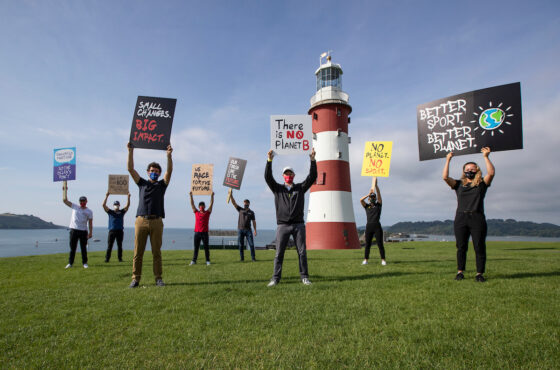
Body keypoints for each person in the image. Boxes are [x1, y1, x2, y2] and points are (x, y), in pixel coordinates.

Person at [265, 148, 317, 286]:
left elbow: (312, 177)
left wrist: (312, 160)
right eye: (286, 174)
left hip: (299, 225)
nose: (288, 175)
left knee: (302, 252)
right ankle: (275, 278)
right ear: (283, 176)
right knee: (279, 254)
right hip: (282, 225)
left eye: (290, 173)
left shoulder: (300, 188)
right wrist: (269, 161)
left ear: (294, 175)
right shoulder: (277, 189)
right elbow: (267, 178)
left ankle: (304, 277)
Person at [443, 147, 495, 282]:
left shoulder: (482, 184)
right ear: (463, 171)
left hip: (477, 217)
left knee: (479, 246)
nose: (469, 171)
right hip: (461, 217)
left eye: (472, 169)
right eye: (467, 169)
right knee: (461, 246)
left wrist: (486, 157)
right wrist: (448, 159)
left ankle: (479, 273)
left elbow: (491, 173)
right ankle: (460, 272)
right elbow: (445, 177)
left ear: (477, 170)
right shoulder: (459, 184)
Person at [127, 142, 173, 288]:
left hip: (157, 222)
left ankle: (158, 278)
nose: (154, 172)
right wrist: (130, 151)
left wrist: (169, 156)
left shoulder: (162, 185)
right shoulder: (141, 183)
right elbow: (130, 169)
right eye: (152, 170)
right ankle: (135, 279)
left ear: (159, 173)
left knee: (156, 253)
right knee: (137, 252)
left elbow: (169, 172)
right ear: (147, 172)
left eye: (157, 171)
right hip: (141, 221)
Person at [62, 181, 93, 269]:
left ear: (86, 201)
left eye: (84, 201)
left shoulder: (89, 211)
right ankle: (70, 263)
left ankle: (85, 263)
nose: (82, 202)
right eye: (81, 201)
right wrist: (65, 191)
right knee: (72, 248)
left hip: (83, 231)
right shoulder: (75, 206)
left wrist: (90, 233)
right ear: (79, 202)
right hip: (73, 230)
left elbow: (90, 223)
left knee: (83, 248)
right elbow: (65, 200)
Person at [359, 178, 386, 266]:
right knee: (367, 244)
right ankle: (366, 260)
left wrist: (376, 186)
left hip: (377, 226)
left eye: (373, 197)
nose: (372, 199)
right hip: (369, 226)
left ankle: (383, 260)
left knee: (380, 244)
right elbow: (361, 200)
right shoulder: (367, 206)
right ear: (369, 199)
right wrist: (368, 194)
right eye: (371, 198)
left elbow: (379, 195)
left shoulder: (378, 205)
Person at [229, 189, 257, 261]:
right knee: (241, 245)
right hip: (240, 230)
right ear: (243, 204)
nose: (245, 205)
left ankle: (253, 258)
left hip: (248, 230)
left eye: (247, 204)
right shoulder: (240, 209)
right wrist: (231, 195)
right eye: (244, 203)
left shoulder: (251, 212)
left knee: (251, 244)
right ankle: (242, 259)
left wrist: (255, 230)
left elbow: (254, 221)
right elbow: (234, 203)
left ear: (249, 204)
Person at [102, 192, 131, 262]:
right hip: (112, 231)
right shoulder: (110, 212)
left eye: (117, 205)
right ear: (113, 205)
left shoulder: (121, 212)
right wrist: (106, 196)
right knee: (110, 246)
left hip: (120, 231)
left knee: (120, 246)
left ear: (119, 205)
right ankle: (107, 259)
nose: (116, 206)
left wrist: (128, 197)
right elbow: (103, 205)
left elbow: (127, 206)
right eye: (115, 205)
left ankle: (120, 259)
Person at [189, 191, 214, 266]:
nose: (202, 207)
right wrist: (191, 196)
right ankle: (194, 260)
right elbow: (192, 204)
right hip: (197, 233)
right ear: (199, 207)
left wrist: (212, 196)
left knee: (206, 247)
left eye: (203, 206)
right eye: (200, 206)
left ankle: (207, 260)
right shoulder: (196, 212)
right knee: (196, 248)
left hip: (205, 233)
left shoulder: (207, 213)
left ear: (204, 206)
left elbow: (211, 204)